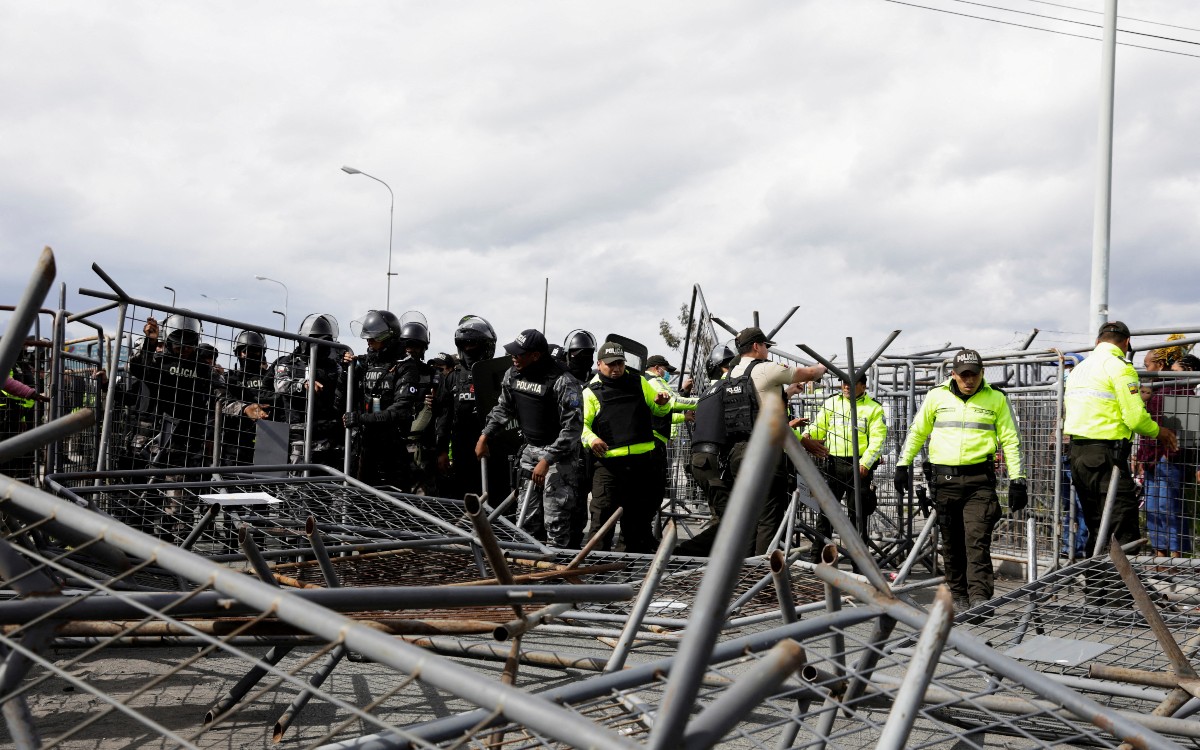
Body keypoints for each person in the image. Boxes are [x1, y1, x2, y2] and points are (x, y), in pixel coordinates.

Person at [895, 349, 1025, 611]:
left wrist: (1017, 479)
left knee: (976, 541)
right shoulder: (936, 396)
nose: (969, 380)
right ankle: (959, 594)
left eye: (974, 375)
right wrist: (902, 463)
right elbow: (917, 431)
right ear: (953, 374)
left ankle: (979, 598)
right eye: (963, 375)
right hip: (945, 481)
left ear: (982, 374)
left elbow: (1011, 439)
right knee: (952, 542)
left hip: (980, 482)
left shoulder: (996, 399)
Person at [1064, 321, 1176, 559]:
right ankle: (1121, 595)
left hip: (1078, 456)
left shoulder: (1079, 369)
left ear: (1098, 342)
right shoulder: (1120, 368)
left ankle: (1097, 594)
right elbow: (1135, 418)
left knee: (1097, 528)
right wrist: (1161, 432)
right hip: (1106, 458)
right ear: (1126, 343)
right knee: (1121, 530)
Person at [477, 329, 583, 547]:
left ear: (535, 355)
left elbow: (573, 428)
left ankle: (556, 573)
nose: (514, 357)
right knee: (525, 520)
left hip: (558, 457)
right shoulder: (513, 374)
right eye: (513, 353)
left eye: (519, 354)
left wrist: (547, 460)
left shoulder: (563, 381)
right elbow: (503, 408)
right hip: (530, 450)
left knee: (555, 522)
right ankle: (524, 569)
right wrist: (485, 436)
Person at [726, 327, 826, 556]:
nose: (767, 351)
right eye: (766, 346)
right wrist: (823, 367)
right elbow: (808, 373)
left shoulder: (732, 374)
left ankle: (745, 576)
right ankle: (764, 582)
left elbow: (756, 403)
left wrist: (787, 393)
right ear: (756, 346)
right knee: (768, 520)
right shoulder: (765, 369)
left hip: (738, 452)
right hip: (764, 453)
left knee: (749, 518)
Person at [581, 340, 673, 553]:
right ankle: (596, 576)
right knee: (602, 523)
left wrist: (661, 404)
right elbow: (582, 427)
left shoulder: (639, 382)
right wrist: (593, 439)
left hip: (642, 466)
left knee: (637, 524)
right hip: (609, 468)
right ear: (600, 363)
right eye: (611, 364)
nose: (616, 369)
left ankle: (630, 576)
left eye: (620, 363)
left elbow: (659, 411)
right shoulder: (591, 391)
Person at [800, 378, 888, 561]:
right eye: (844, 382)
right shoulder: (831, 402)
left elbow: (878, 440)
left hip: (859, 466)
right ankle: (816, 559)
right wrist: (807, 435)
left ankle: (860, 564)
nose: (846, 386)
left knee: (857, 516)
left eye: (852, 383)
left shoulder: (874, 408)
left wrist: (866, 463)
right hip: (833, 464)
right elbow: (819, 426)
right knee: (826, 513)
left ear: (863, 385)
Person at [436, 315, 511, 503]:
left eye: (473, 344)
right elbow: (444, 416)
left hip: (494, 450)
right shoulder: (452, 378)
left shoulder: (501, 374)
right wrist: (442, 451)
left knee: (497, 501)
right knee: (464, 500)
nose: (468, 349)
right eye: (464, 345)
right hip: (463, 451)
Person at [340, 310, 412, 487]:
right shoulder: (365, 362)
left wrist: (360, 418)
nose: (368, 341)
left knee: (393, 499)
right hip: (365, 444)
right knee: (360, 497)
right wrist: (346, 368)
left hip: (393, 444)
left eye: (374, 338)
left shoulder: (405, 365)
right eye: (367, 338)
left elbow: (400, 410)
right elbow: (343, 392)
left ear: (388, 337)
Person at [273, 313, 344, 468]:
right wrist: (303, 384)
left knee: (324, 475)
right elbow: (280, 385)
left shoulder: (333, 366)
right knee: (296, 472)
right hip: (297, 429)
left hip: (325, 429)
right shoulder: (288, 363)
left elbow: (342, 387)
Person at [395, 313, 440, 494]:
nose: (410, 349)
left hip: (422, 445)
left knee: (423, 497)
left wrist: (435, 402)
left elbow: (440, 407)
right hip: (396, 442)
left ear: (423, 348)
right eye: (407, 345)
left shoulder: (432, 373)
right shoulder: (394, 370)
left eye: (415, 345)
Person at [218, 330, 274, 465]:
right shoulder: (229, 379)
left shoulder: (271, 379)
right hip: (235, 441)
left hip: (268, 440)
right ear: (238, 353)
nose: (250, 355)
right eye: (245, 351)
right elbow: (221, 403)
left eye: (255, 351)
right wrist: (244, 409)